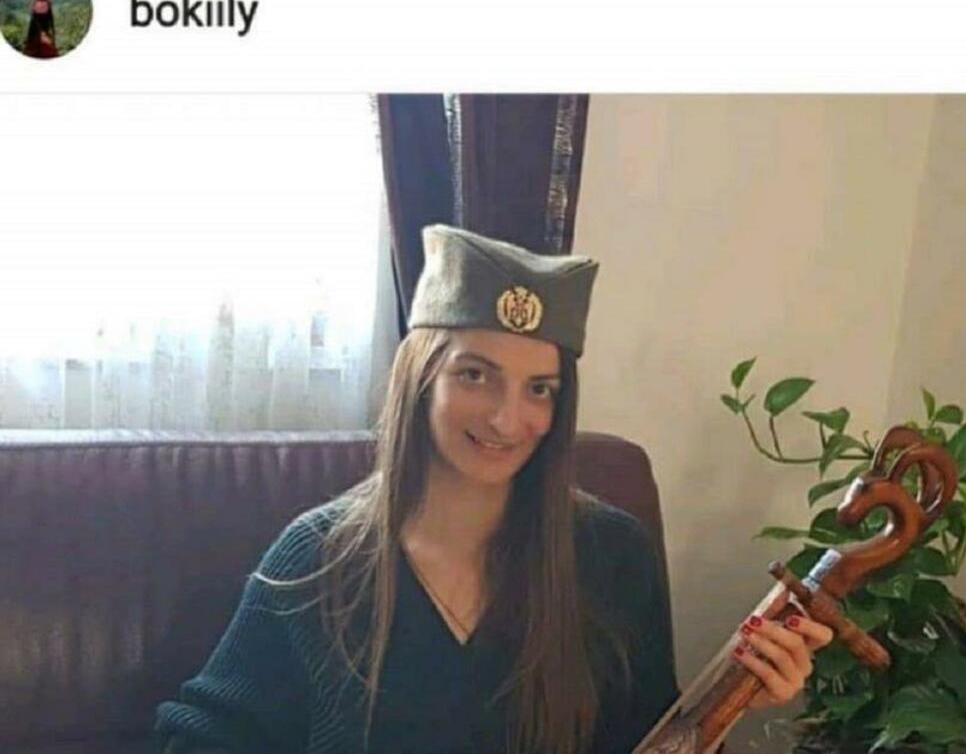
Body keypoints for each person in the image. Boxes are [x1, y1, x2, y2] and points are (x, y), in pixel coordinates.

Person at [154, 225, 834, 754]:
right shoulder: (318, 560)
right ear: (422, 378)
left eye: (539, 389)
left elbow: (647, 738)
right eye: (475, 376)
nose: (508, 419)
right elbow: (199, 740)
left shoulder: (612, 556)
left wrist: (734, 703)